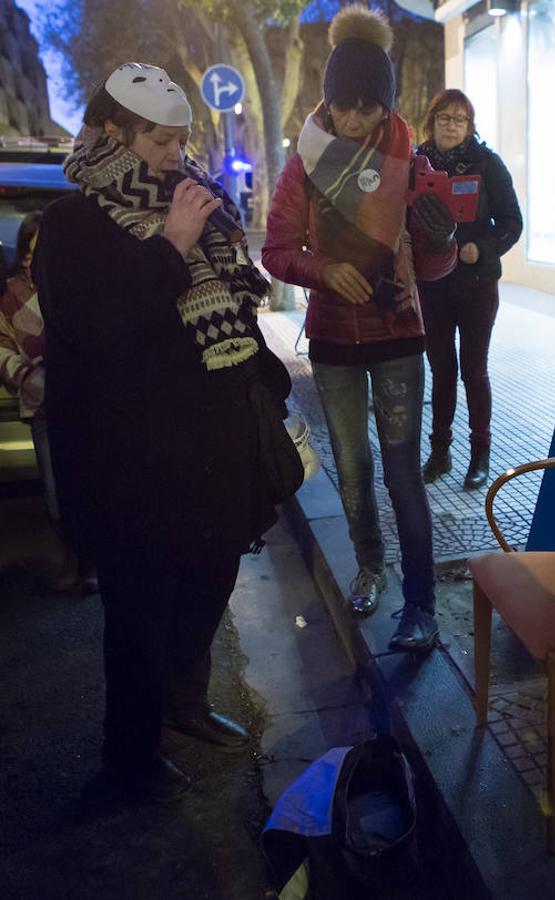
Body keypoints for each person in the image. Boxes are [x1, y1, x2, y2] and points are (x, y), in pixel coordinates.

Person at [32, 62, 288, 802]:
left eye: (181, 140)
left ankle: (185, 701)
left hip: (213, 447)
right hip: (130, 463)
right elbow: (98, 333)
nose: (177, 154)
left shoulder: (196, 201)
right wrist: (171, 245)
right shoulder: (72, 225)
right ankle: (130, 754)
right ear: (114, 131)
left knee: (211, 576)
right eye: (160, 140)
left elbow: (236, 306)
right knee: (139, 610)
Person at [262, 6, 457, 650]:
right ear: (327, 98)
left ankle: (421, 604)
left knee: (402, 469)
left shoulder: (414, 160)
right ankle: (370, 568)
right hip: (333, 338)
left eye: (369, 108)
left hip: (399, 331)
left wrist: (441, 237)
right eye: (343, 105)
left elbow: (434, 265)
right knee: (351, 465)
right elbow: (277, 249)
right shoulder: (305, 162)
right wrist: (323, 270)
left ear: (387, 105)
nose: (353, 120)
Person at [416, 89, 523, 490]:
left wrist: (484, 247)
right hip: (433, 285)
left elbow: (512, 222)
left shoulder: (487, 164)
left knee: (473, 370)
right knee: (441, 369)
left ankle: (480, 452)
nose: (450, 125)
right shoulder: (417, 164)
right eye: (444, 116)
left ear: (469, 126)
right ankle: (440, 452)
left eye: (459, 119)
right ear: (432, 121)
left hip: (476, 285)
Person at [0, 212, 83, 591]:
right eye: (28, 250)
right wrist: (27, 375)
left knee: (88, 484)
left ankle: (92, 563)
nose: (33, 258)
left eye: (40, 249)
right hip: (41, 407)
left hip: (83, 405)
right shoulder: (11, 296)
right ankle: (71, 558)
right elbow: (3, 346)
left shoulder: (73, 287)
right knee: (54, 488)